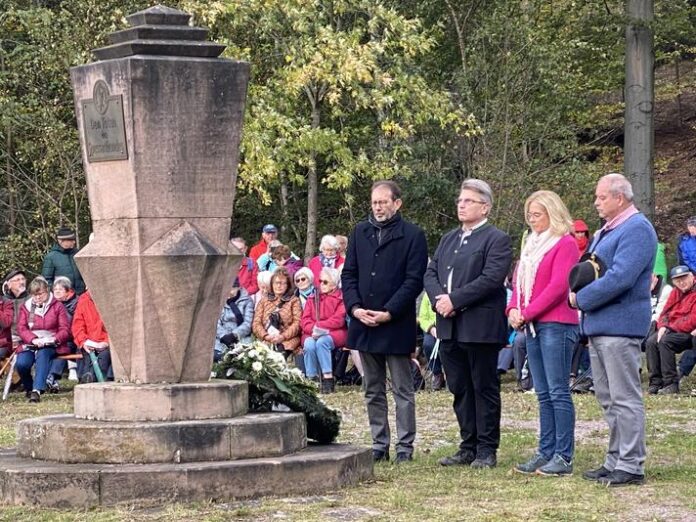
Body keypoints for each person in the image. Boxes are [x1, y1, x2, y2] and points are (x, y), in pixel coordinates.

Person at [569, 173, 656, 487]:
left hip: (620, 326)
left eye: (601, 197)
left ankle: (631, 465)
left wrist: (581, 299)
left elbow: (620, 277)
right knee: (607, 398)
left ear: (620, 197)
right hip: (600, 325)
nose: (596, 202)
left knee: (624, 397)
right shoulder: (607, 232)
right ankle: (615, 459)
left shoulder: (637, 229)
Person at [424, 179, 512, 469]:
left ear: (484, 206)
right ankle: (468, 445)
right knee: (460, 387)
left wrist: (455, 300)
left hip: (479, 325)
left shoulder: (496, 238)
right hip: (448, 326)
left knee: (483, 386)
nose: (461, 205)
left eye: (468, 201)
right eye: (460, 201)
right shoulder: (449, 238)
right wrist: (439, 299)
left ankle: (486, 448)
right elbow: (432, 272)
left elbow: (490, 278)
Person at [342, 180, 428, 464]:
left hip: (395, 322)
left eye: (383, 202)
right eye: (374, 202)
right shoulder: (359, 232)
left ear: (397, 203)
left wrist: (390, 311)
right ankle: (380, 443)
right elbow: (349, 275)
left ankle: (405, 446)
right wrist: (354, 308)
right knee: (372, 387)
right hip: (363, 321)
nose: (378, 207)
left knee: (403, 388)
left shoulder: (414, 235)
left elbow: (414, 280)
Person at [507, 191, 580, 476]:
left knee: (558, 390)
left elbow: (558, 287)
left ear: (553, 213)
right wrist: (513, 309)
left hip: (557, 324)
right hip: (532, 325)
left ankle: (563, 456)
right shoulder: (530, 245)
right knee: (542, 392)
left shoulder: (565, 243)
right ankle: (545, 450)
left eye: (537, 214)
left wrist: (527, 312)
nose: (532, 219)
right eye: (529, 214)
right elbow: (517, 281)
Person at [16, 277, 71, 402]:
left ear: (47, 291)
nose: (38, 297)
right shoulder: (26, 307)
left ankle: (37, 391)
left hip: (51, 343)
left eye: (40, 294)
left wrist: (53, 339)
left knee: (43, 355)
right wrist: (33, 339)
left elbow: (65, 329)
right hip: (31, 342)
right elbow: (21, 328)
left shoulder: (58, 306)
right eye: (34, 295)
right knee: (22, 364)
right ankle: (29, 388)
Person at [644, 266, 696, 394]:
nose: (681, 282)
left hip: (689, 332)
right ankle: (655, 382)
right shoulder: (675, 292)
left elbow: (693, 320)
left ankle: (671, 383)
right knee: (651, 342)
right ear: (673, 282)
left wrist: (669, 327)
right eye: (677, 280)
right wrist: (662, 326)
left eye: (684, 278)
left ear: (692, 276)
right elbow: (665, 313)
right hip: (673, 329)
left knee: (665, 341)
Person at [300, 267, 347, 393]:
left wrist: (319, 326)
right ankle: (312, 379)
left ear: (334, 283)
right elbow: (305, 320)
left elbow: (338, 320)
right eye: (320, 281)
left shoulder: (341, 298)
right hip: (313, 332)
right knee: (309, 344)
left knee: (322, 342)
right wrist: (313, 329)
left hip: (335, 332)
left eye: (325, 282)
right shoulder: (312, 298)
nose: (321, 284)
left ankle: (328, 378)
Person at [252, 267, 302, 358]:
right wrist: (265, 336)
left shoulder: (294, 301)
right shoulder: (264, 301)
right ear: (272, 284)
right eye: (277, 283)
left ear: (288, 285)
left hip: (287, 340)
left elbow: (297, 323)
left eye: (283, 283)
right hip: (267, 339)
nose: (279, 286)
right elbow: (256, 323)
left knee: (278, 356)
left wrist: (282, 337)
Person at [45, 277, 80, 391]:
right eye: (55, 289)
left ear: (68, 290)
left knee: (68, 347)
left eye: (60, 289)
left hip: (76, 337)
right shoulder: (52, 304)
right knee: (58, 347)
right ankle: (51, 377)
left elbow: (76, 322)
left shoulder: (77, 302)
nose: (57, 291)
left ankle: (84, 377)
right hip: (62, 338)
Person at [71, 290, 112, 383]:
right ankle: (89, 380)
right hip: (88, 341)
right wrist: (83, 341)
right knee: (87, 354)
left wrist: (106, 342)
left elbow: (116, 328)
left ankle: (89, 380)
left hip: (106, 343)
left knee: (104, 356)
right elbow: (77, 325)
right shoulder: (83, 299)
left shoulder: (110, 299)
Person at [214, 279, 254, 362]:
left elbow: (248, 324)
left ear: (238, 288)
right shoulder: (220, 300)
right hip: (222, 339)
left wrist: (234, 335)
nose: (229, 292)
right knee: (217, 357)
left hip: (241, 338)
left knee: (241, 360)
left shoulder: (247, 301)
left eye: (232, 289)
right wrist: (224, 336)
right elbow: (215, 322)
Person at [41, 227, 85, 294]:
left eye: (73, 239)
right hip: (62, 298)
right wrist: (57, 292)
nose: (74, 242)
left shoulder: (78, 254)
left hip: (81, 295)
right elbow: (46, 280)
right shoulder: (51, 257)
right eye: (70, 240)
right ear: (60, 241)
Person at [418, 293, 445, 390]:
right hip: (431, 329)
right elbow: (422, 317)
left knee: (445, 348)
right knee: (428, 345)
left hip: (447, 328)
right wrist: (431, 328)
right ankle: (437, 374)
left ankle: (451, 375)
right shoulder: (427, 295)